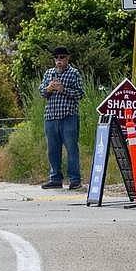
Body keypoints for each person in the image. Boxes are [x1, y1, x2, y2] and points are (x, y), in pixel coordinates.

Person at [39, 46, 85, 189]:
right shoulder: (49, 73)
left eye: (62, 58)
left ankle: (75, 180)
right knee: (52, 149)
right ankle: (55, 179)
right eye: (57, 58)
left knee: (71, 148)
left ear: (67, 58)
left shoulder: (74, 73)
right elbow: (41, 92)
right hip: (51, 116)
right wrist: (48, 89)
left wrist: (63, 89)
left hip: (68, 116)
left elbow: (80, 94)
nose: (59, 60)